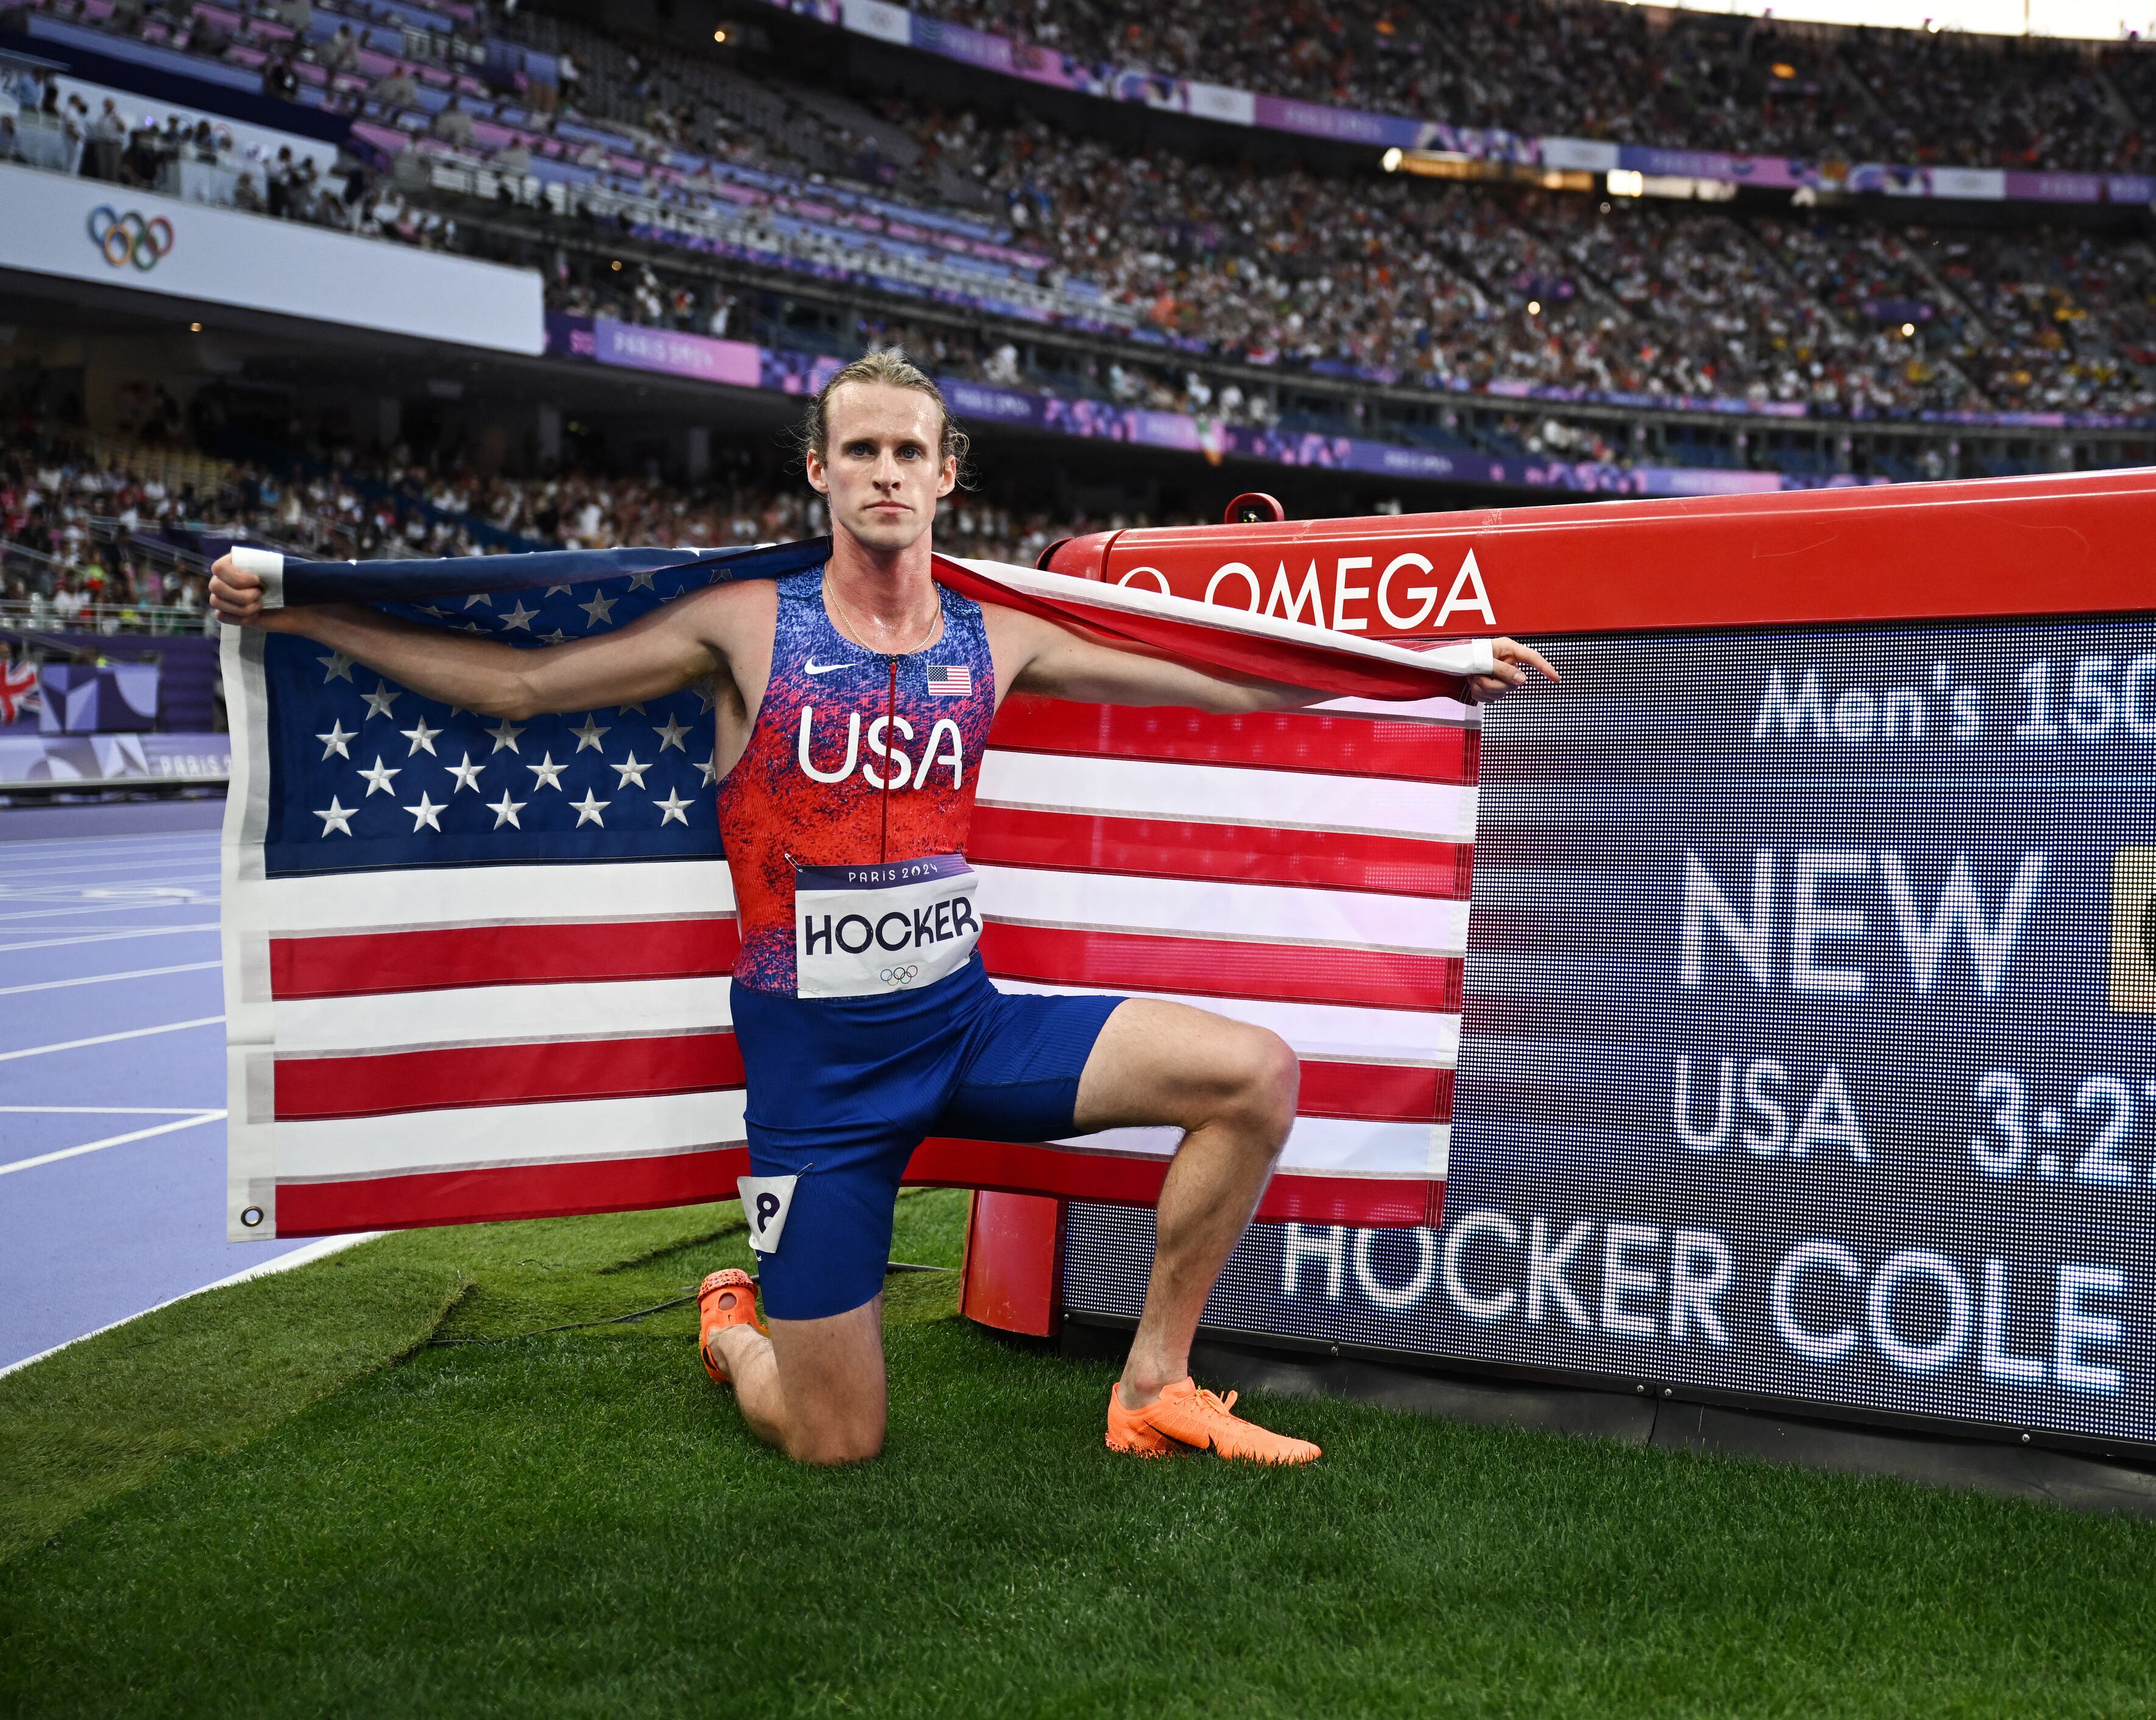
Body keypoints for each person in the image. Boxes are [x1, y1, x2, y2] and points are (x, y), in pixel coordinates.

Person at [211, 352, 1555, 1468]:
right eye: (859, 451)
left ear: (946, 476)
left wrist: (1427, 666)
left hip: (964, 1034)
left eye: (909, 453)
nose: (885, 474)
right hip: (821, 1086)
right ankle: (734, 1323)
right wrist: (306, 611)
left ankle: (1153, 1382)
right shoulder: (746, 625)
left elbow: (1231, 681)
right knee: (832, 1439)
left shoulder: (999, 633)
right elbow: (520, 686)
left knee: (1254, 1073)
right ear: (819, 472)